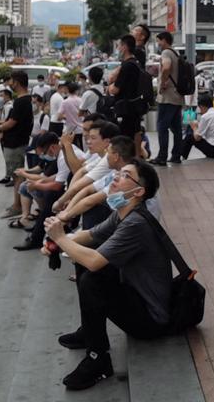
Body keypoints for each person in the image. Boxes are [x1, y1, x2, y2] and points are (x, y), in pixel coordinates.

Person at [44, 160, 171, 391]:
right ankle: (89, 331)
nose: (115, 177)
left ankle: (98, 359)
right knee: (84, 260)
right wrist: (55, 243)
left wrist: (61, 238)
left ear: (139, 191)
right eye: (119, 173)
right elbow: (90, 235)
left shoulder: (135, 223)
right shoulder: (123, 213)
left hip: (150, 320)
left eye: (125, 176)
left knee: (92, 276)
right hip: (135, 296)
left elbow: (94, 262)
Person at [0, 71, 34, 219]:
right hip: (19, 141)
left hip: (15, 143)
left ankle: (18, 206)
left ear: (16, 82)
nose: (9, 84)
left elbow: (12, 122)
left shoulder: (20, 101)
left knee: (17, 176)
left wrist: (0, 128)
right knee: (17, 174)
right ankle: (17, 204)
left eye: (11, 81)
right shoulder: (26, 99)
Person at [107, 35, 146, 153]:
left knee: (124, 138)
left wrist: (109, 88)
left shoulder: (127, 66)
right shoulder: (136, 63)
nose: (118, 49)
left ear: (125, 47)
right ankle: (135, 161)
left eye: (119, 46)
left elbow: (115, 89)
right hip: (135, 106)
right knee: (135, 133)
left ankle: (126, 162)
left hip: (125, 108)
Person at [154, 31, 185, 166]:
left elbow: (166, 67)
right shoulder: (175, 53)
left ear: (164, 40)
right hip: (177, 96)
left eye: (158, 41)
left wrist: (163, 83)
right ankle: (176, 155)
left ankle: (162, 156)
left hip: (167, 97)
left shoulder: (166, 53)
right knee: (177, 128)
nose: (158, 44)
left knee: (162, 127)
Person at [181, 94, 214, 160]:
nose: (200, 111)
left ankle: (183, 158)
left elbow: (197, 138)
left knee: (190, 137)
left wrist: (194, 127)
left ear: (202, 106)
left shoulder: (205, 116)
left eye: (200, 108)